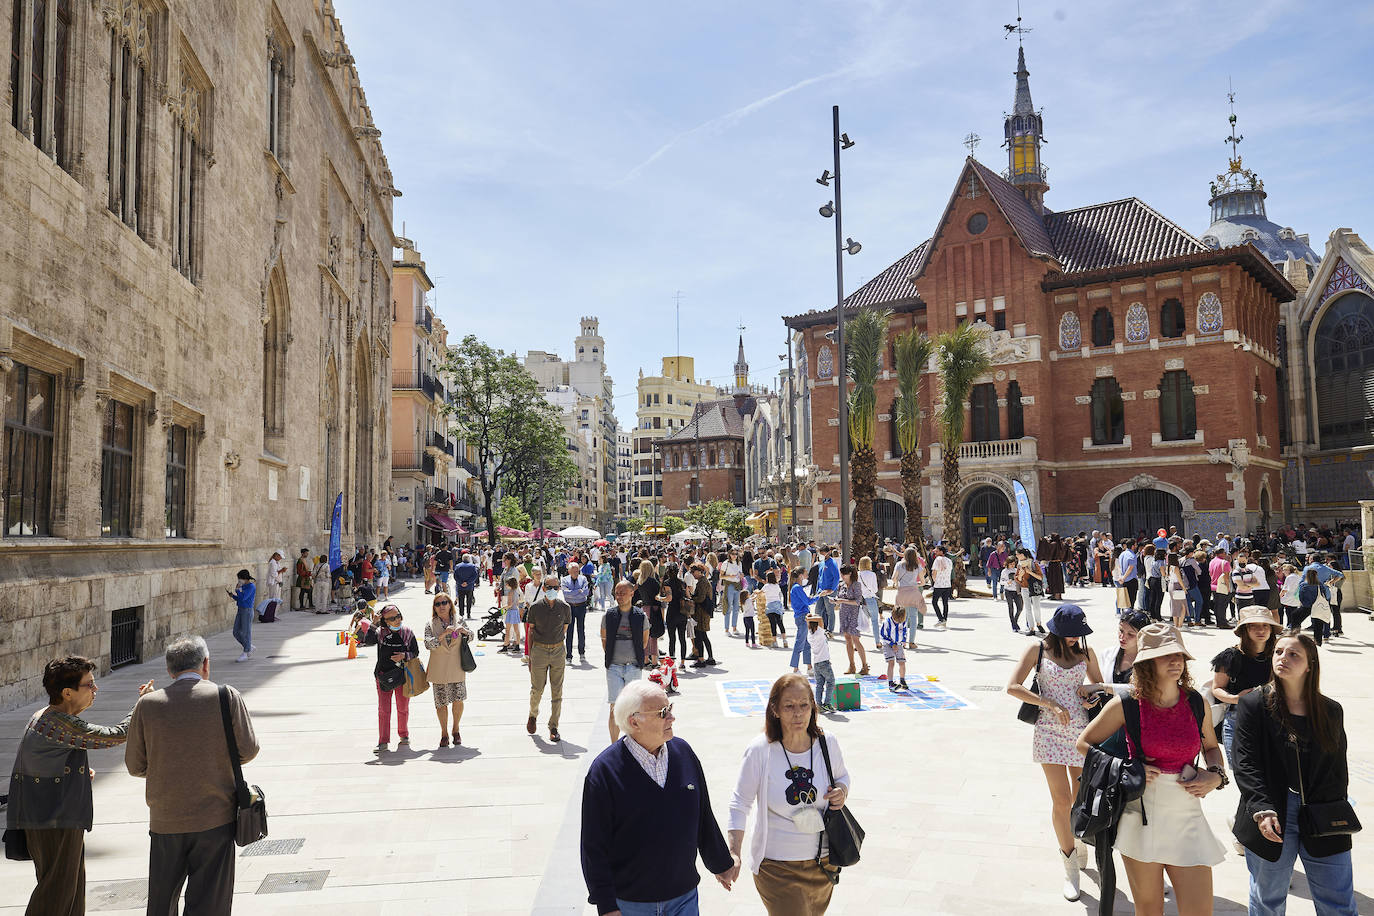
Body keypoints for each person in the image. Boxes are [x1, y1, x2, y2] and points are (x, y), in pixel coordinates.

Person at [1075, 623, 1228, 916]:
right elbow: (1085, 744)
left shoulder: (1196, 701)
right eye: (1165, 655)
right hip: (1139, 815)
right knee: (1148, 910)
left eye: (1179, 655)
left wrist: (1215, 775)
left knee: (1200, 911)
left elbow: (1211, 747)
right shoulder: (1128, 704)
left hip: (1188, 816)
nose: (1175, 661)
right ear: (1145, 662)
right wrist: (1127, 769)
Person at [6, 657, 152, 916]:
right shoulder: (59, 722)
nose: (96, 690)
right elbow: (116, 735)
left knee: (70, 892)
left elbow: (40, 762)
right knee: (56, 894)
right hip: (53, 821)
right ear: (67, 692)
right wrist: (142, 705)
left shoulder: (45, 717)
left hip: (51, 818)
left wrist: (77, 773)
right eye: (90, 685)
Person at [125, 636, 259, 916]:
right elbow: (248, 750)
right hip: (215, 818)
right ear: (206, 664)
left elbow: (136, 765)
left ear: (169, 670)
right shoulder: (226, 696)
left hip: (165, 820)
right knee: (210, 902)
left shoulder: (147, 704)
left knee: (162, 902)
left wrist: (169, 766)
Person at [581, 681, 737, 914]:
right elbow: (593, 846)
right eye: (663, 713)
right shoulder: (604, 771)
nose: (672, 718)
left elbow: (702, 815)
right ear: (634, 721)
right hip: (631, 904)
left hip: (684, 898)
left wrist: (721, 863)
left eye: (670, 708)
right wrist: (606, 905)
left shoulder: (684, 752)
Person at [1232, 633, 1357, 915]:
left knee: (1338, 902)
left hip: (1322, 811)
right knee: (1268, 900)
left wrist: (1337, 810)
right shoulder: (1254, 704)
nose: (1282, 658)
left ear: (1310, 664)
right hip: (1271, 811)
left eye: (1293, 654)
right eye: (1278, 652)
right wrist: (1262, 808)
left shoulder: (1330, 710)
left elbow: (1338, 769)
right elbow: (1245, 762)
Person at [727, 673, 850, 915]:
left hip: (823, 862)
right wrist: (734, 852)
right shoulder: (760, 750)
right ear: (775, 709)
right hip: (776, 867)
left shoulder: (827, 742)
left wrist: (841, 792)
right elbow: (740, 803)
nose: (798, 713)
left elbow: (843, 777)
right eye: (789, 706)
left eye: (804, 705)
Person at [1005, 605, 1103, 901]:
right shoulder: (1037, 649)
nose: (1076, 639)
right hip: (1048, 730)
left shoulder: (1086, 653)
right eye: (1072, 634)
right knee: (1060, 799)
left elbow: (1098, 686)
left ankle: (1078, 834)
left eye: (1080, 634)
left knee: (1079, 797)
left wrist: (1091, 696)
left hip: (1080, 731)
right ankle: (1069, 865)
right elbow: (1012, 687)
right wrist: (1049, 703)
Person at [1211, 605, 1283, 767]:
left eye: (1265, 625)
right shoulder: (1230, 656)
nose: (1261, 630)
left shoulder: (1278, 656)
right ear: (1244, 630)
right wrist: (1237, 698)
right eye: (1254, 626)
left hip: (1274, 720)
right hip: (1238, 721)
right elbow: (1217, 688)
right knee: (1245, 777)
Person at [354, 603, 420, 752]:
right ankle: (383, 741)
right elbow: (368, 641)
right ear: (385, 621)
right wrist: (373, 624)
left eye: (398, 616)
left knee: (403, 707)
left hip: (402, 676)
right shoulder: (380, 632)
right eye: (392, 618)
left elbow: (415, 652)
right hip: (383, 676)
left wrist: (404, 655)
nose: (397, 620)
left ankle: (404, 735)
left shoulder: (407, 632)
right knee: (384, 709)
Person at [602, 581, 651, 741]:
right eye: (617, 593)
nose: (619, 596)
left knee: (634, 709)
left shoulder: (640, 616)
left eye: (623, 593)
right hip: (614, 667)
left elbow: (644, 642)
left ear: (631, 593)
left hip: (633, 667)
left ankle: (634, 743)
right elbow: (605, 640)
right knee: (614, 709)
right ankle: (613, 745)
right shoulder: (609, 615)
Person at [424, 593, 472, 747]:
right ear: (434, 608)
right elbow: (428, 644)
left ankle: (456, 729)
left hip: (457, 666)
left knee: (458, 700)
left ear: (450, 604)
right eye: (438, 604)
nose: (442, 606)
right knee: (441, 703)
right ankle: (444, 732)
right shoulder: (430, 624)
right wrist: (443, 634)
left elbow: (471, 636)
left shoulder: (460, 620)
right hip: (438, 668)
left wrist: (464, 632)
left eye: (444, 602)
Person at [527, 575, 571, 742]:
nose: (552, 590)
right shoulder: (535, 607)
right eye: (549, 587)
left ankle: (554, 726)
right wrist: (530, 655)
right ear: (544, 588)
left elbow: (564, 628)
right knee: (537, 689)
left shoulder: (564, 607)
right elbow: (531, 631)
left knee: (557, 690)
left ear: (559, 588)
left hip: (558, 650)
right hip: (539, 650)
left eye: (555, 587)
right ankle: (533, 714)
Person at [834, 565, 868, 676]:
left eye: (844, 574)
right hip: (843, 614)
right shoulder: (841, 585)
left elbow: (857, 602)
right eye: (841, 574)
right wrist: (836, 602)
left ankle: (864, 666)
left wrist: (842, 600)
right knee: (847, 639)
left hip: (854, 614)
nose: (842, 576)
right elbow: (840, 599)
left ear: (850, 574)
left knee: (856, 639)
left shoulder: (856, 585)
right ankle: (851, 665)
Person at [891, 546, 926, 643]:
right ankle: (912, 642)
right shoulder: (918, 566)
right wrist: (916, 584)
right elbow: (923, 582)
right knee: (913, 617)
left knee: (901, 616)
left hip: (902, 592)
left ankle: (902, 640)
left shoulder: (899, 564)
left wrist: (897, 583)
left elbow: (894, 578)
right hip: (913, 592)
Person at [561, 561, 592, 664]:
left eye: (577, 570)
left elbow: (586, 593)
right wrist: (578, 592)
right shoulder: (564, 580)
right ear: (569, 571)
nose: (575, 572)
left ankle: (582, 653)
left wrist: (573, 593)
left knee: (581, 629)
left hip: (581, 606)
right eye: (573, 571)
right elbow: (565, 594)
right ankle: (568, 655)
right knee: (569, 631)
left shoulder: (583, 579)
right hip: (569, 607)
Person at [788, 567, 815, 674]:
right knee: (800, 642)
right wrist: (818, 596)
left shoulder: (797, 587)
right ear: (800, 575)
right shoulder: (797, 588)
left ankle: (809, 667)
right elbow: (808, 601)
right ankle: (795, 668)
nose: (807, 576)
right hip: (802, 617)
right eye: (806, 573)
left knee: (806, 643)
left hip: (803, 616)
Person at [689, 562, 717, 667]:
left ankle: (701, 660)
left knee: (700, 636)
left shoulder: (702, 582)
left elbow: (701, 598)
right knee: (703, 636)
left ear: (700, 572)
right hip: (703, 612)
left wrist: (692, 598)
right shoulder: (702, 581)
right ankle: (710, 658)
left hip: (702, 613)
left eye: (694, 572)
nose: (693, 574)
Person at [806, 614, 835, 713]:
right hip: (824, 662)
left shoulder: (810, 635)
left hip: (816, 663)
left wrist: (808, 619)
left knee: (819, 685)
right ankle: (827, 703)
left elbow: (816, 621)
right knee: (831, 682)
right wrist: (809, 618)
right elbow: (820, 619)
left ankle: (818, 705)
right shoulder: (819, 632)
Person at [226, 569, 255, 662]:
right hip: (240, 610)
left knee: (246, 632)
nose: (239, 581)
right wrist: (233, 595)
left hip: (247, 611)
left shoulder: (251, 587)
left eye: (240, 579)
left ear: (245, 578)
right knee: (236, 632)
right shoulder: (243, 586)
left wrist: (238, 590)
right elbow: (239, 598)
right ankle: (249, 646)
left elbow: (244, 597)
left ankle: (246, 652)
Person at [1015, 548, 1046, 635]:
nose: (1016, 556)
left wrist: (1030, 572)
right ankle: (1031, 628)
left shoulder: (1033, 563)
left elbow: (1040, 577)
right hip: (1024, 588)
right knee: (1027, 609)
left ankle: (1039, 624)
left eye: (1018, 554)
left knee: (1036, 608)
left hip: (1034, 588)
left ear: (1023, 555)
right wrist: (1020, 576)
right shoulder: (1019, 565)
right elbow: (1017, 579)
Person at [879, 606, 910, 692]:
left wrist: (903, 640)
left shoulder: (903, 621)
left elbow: (904, 631)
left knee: (902, 662)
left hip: (899, 644)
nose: (899, 622)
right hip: (888, 644)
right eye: (897, 620)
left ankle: (902, 680)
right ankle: (891, 683)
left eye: (901, 620)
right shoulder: (887, 622)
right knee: (891, 662)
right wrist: (892, 644)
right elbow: (882, 635)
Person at [856, 556, 882, 651]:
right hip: (870, 599)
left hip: (861, 600)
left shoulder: (857, 574)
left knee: (859, 622)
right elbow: (875, 589)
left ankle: (856, 643)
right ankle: (878, 642)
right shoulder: (872, 574)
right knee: (875, 621)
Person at [814, 546, 840, 636]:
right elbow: (819, 578)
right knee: (818, 610)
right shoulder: (821, 563)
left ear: (828, 553)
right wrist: (817, 591)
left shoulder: (832, 563)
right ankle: (819, 628)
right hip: (821, 591)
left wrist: (832, 590)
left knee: (830, 611)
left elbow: (836, 577)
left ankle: (830, 630)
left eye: (822, 553)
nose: (820, 555)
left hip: (829, 591)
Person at [761, 570, 787, 650]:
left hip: (770, 606)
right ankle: (785, 641)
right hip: (778, 605)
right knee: (780, 623)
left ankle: (775, 642)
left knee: (773, 624)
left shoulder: (766, 586)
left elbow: (761, 592)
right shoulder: (777, 586)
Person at [929, 545, 953, 630]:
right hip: (947, 584)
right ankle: (944, 620)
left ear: (941, 552)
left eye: (937, 551)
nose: (935, 552)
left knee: (934, 602)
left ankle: (940, 618)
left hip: (939, 585)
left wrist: (934, 581)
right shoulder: (949, 561)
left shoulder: (937, 559)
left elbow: (934, 572)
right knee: (945, 603)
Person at [722, 548, 744, 636]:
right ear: (729, 554)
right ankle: (726, 629)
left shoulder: (739, 563)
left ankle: (734, 627)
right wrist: (729, 576)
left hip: (737, 585)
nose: (734, 555)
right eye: (732, 553)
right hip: (729, 585)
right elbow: (721, 576)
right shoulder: (725, 563)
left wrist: (741, 575)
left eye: (736, 553)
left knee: (736, 608)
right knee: (728, 607)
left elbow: (740, 573)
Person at [453, 552, 478, 619]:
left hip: (460, 586)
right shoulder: (472, 566)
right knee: (469, 600)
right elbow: (475, 576)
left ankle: (461, 614)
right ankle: (468, 613)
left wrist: (461, 582)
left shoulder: (458, 566)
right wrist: (468, 582)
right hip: (469, 586)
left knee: (461, 600)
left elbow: (455, 576)